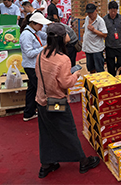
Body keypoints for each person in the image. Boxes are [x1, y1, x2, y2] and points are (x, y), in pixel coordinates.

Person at [35, 22, 100, 179]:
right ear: (61, 38)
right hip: (56, 102)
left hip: (41, 100)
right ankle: (83, 161)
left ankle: (46, 164)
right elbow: (65, 83)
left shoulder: (41, 53)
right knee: (68, 131)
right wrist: (75, 75)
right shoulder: (63, 59)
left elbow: (38, 73)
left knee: (46, 133)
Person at [21, 11, 50, 122]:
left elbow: (45, 36)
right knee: (39, 89)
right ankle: (41, 111)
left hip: (35, 65)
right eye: (40, 25)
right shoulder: (27, 35)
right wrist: (44, 48)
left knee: (32, 89)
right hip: (31, 66)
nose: (42, 27)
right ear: (34, 23)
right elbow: (29, 53)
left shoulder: (35, 32)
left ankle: (29, 112)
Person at [104, 1, 121, 76]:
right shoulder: (104, 19)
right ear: (108, 10)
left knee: (120, 65)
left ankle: (119, 78)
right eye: (111, 11)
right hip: (109, 46)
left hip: (120, 46)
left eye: (115, 11)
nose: (113, 13)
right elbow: (102, 33)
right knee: (110, 67)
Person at [82, 3, 106, 74]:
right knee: (91, 68)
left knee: (99, 69)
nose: (90, 15)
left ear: (96, 11)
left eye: (91, 13)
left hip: (96, 49)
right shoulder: (87, 18)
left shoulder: (100, 21)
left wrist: (94, 30)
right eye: (88, 13)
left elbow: (105, 34)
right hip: (88, 48)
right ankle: (92, 80)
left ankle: (100, 81)